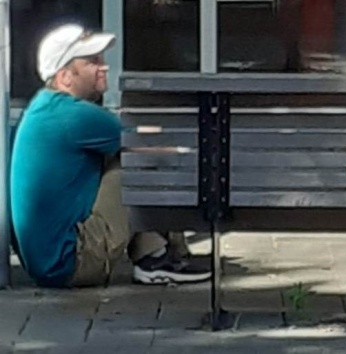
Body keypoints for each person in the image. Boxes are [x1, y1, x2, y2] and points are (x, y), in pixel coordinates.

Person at [10, 24, 211, 288]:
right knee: (140, 162)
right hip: (73, 262)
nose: (104, 67)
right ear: (65, 76)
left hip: (49, 265)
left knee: (126, 155)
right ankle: (160, 259)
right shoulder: (73, 115)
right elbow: (153, 145)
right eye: (92, 61)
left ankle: (156, 253)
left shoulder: (45, 107)